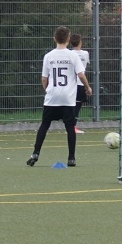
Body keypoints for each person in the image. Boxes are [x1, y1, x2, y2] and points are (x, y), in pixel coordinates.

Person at [27, 26, 92, 167]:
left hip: (52, 97)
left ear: (54, 39)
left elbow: (44, 78)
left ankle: (35, 153)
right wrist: (87, 87)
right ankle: (71, 158)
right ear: (68, 39)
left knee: (45, 124)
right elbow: (81, 75)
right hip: (68, 99)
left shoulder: (48, 56)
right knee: (70, 127)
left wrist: (48, 91)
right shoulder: (73, 56)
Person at [69, 33, 90, 134]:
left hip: (70, 84)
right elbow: (84, 67)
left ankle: (71, 125)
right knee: (77, 106)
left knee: (71, 106)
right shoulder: (85, 54)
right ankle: (72, 126)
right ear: (80, 42)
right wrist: (87, 86)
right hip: (80, 83)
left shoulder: (69, 54)